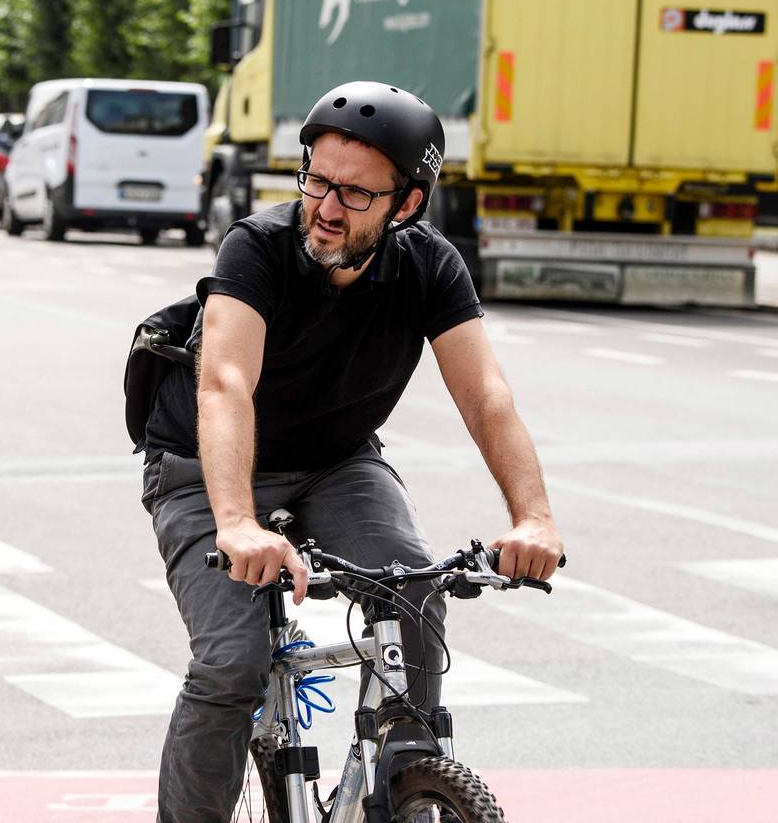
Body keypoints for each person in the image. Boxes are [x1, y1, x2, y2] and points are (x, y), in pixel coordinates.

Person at [140, 81, 564, 822]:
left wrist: (533, 517)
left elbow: (486, 395)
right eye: (318, 180)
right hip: (205, 469)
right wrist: (237, 521)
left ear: (406, 204)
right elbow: (225, 383)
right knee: (233, 662)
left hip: (337, 460)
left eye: (356, 194)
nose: (326, 207)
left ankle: (405, 782)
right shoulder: (257, 248)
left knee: (414, 592)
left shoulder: (429, 267)